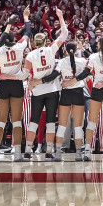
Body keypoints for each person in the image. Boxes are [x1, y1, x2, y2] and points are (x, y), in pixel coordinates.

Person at [24, 9, 69, 160]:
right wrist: (60, 17)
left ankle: (28, 151)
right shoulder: (51, 50)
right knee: (50, 121)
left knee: (34, 121)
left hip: (37, 91)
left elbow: (24, 74)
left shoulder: (30, 55)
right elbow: (64, 35)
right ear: (44, 41)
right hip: (52, 90)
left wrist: (30, 80)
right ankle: (49, 151)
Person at [0, 9, 33, 161]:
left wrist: (8, 24)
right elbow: (28, 31)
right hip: (16, 85)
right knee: (17, 121)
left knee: (0, 121)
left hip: (3, 85)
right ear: (14, 39)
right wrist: (26, 17)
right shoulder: (20, 46)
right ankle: (17, 154)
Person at [54, 39, 90, 160]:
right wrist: (84, 49)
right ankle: (79, 153)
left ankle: (58, 153)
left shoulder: (61, 61)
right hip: (78, 93)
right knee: (78, 126)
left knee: (62, 125)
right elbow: (92, 60)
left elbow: (55, 74)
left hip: (66, 93)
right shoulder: (82, 60)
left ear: (64, 50)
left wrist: (66, 83)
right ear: (76, 51)